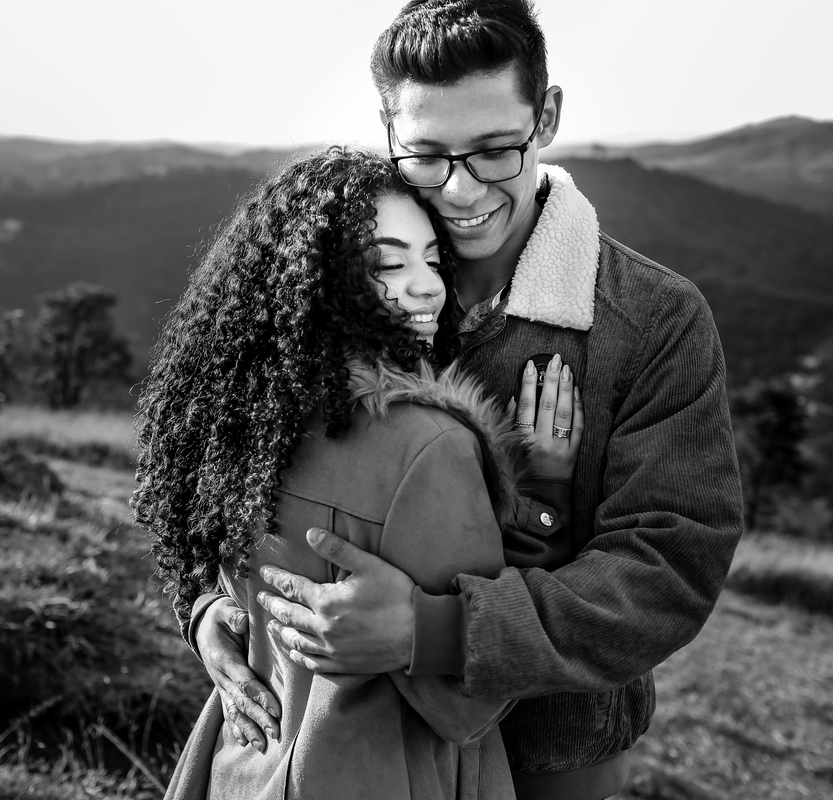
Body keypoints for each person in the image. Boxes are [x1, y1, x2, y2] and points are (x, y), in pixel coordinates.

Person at [190, 2, 746, 799]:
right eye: (426, 156)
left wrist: (435, 631)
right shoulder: (340, 281)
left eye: (494, 150)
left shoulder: (653, 318)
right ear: (389, 134)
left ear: (546, 116)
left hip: (551, 749)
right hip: (347, 738)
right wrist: (209, 604)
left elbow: (668, 568)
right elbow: (227, 458)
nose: (459, 189)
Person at [133, 147, 586, 800]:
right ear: (321, 282)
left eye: (433, 260)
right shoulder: (429, 446)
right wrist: (543, 493)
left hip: (241, 763)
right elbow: (471, 704)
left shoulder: (238, 417)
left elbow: (208, 565)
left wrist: (206, 615)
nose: (428, 286)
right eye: (389, 264)